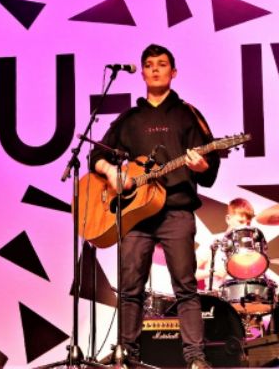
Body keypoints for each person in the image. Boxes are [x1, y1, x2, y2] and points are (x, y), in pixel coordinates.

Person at [90, 44, 220, 369]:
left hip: (176, 211)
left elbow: (210, 168)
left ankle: (195, 358)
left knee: (186, 288)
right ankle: (127, 355)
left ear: (173, 72)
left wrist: (202, 166)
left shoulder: (187, 114)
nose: (155, 69)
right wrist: (113, 173)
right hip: (136, 216)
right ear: (143, 73)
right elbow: (97, 156)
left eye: (162, 64)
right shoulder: (130, 119)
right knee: (130, 289)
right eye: (149, 65)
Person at [196, 198, 255, 291]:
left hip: (240, 296)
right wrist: (214, 272)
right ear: (228, 219)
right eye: (240, 222)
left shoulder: (251, 247)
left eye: (248, 223)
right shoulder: (212, 241)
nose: (245, 227)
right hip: (215, 295)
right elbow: (189, 274)